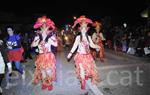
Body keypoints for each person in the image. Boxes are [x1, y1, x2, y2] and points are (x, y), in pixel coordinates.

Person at [67, 16, 100, 93]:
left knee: (88, 69)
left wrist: (97, 46)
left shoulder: (88, 37)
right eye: (82, 27)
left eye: (85, 28)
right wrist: (70, 53)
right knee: (82, 69)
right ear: (80, 29)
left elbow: (92, 45)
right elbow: (75, 46)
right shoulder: (78, 37)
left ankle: (85, 78)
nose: (84, 29)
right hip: (80, 56)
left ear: (87, 29)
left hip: (88, 56)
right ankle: (83, 83)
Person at [31, 16, 58, 91]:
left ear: (48, 27)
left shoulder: (51, 35)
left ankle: (49, 83)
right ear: (40, 27)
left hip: (49, 55)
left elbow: (56, 45)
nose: (44, 28)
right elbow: (33, 45)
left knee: (48, 70)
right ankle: (44, 83)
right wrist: (36, 42)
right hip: (41, 56)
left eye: (46, 26)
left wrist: (49, 40)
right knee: (43, 71)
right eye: (42, 27)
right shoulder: (38, 36)